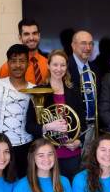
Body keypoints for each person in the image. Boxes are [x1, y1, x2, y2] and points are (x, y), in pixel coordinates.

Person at [25, 49, 86, 182]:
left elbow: (83, 123)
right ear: (48, 65)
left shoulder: (74, 91)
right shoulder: (38, 91)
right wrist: (48, 126)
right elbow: (29, 126)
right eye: (55, 65)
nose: (59, 69)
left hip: (71, 154)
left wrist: (78, 141)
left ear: (67, 67)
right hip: (46, 156)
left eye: (63, 65)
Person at [0, 44, 34, 178]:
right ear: (8, 63)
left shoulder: (35, 90)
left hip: (25, 146)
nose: (18, 65)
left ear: (28, 63)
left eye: (22, 61)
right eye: (13, 61)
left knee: (23, 184)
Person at [67, 30, 100, 148]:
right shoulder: (64, 68)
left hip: (94, 128)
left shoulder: (96, 68)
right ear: (73, 45)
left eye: (91, 44)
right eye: (84, 43)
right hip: (74, 130)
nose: (88, 47)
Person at [0, 19, 48, 85]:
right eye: (26, 34)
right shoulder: (7, 68)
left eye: (34, 33)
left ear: (39, 35)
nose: (31, 38)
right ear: (20, 37)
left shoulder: (48, 64)